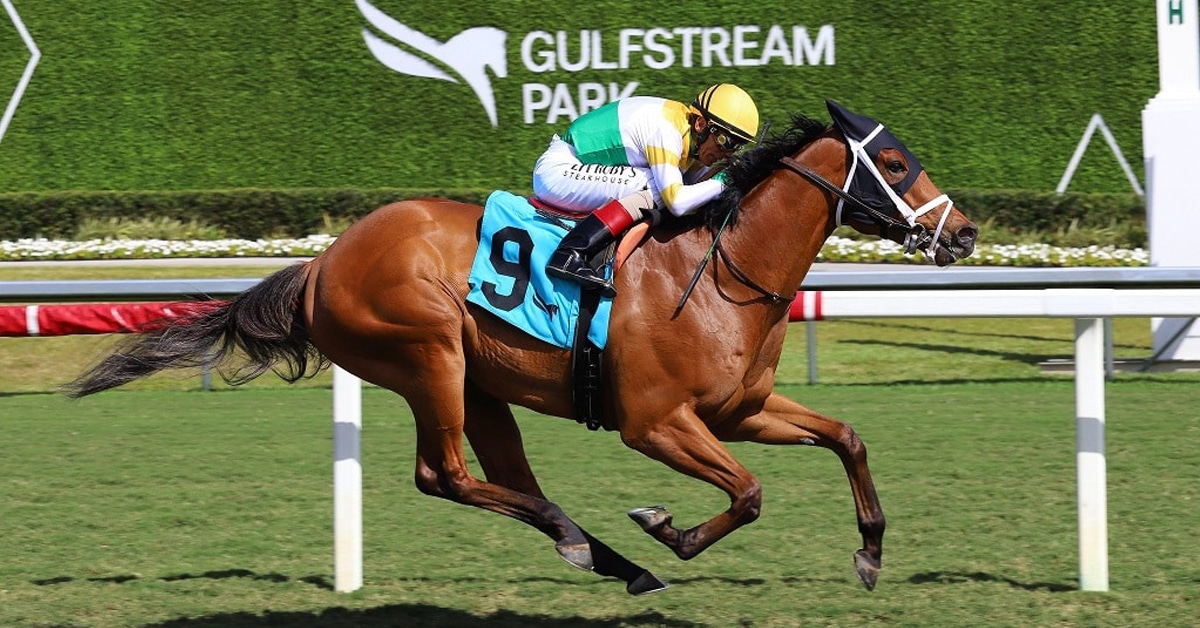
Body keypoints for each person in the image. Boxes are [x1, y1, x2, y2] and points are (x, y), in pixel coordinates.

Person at [531, 83, 759, 297]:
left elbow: (699, 188)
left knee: (667, 184)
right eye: (725, 141)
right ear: (700, 125)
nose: (727, 152)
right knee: (658, 187)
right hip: (558, 171)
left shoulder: (691, 137)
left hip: (573, 167)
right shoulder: (666, 130)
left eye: (737, 146)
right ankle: (571, 253)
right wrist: (723, 181)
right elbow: (678, 202)